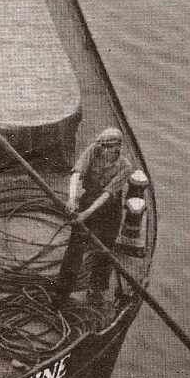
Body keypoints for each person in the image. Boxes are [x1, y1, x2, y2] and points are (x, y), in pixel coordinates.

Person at [54, 127, 132, 306]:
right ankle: (61, 293)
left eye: (108, 147)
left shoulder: (125, 167)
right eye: (102, 146)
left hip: (109, 210)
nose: (103, 150)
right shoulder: (93, 150)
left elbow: (107, 194)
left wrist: (85, 215)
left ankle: (96, 289)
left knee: (104, 250)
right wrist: (72, 199)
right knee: (75, 250)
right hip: (89, 199)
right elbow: (76, 173)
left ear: (117, 147)